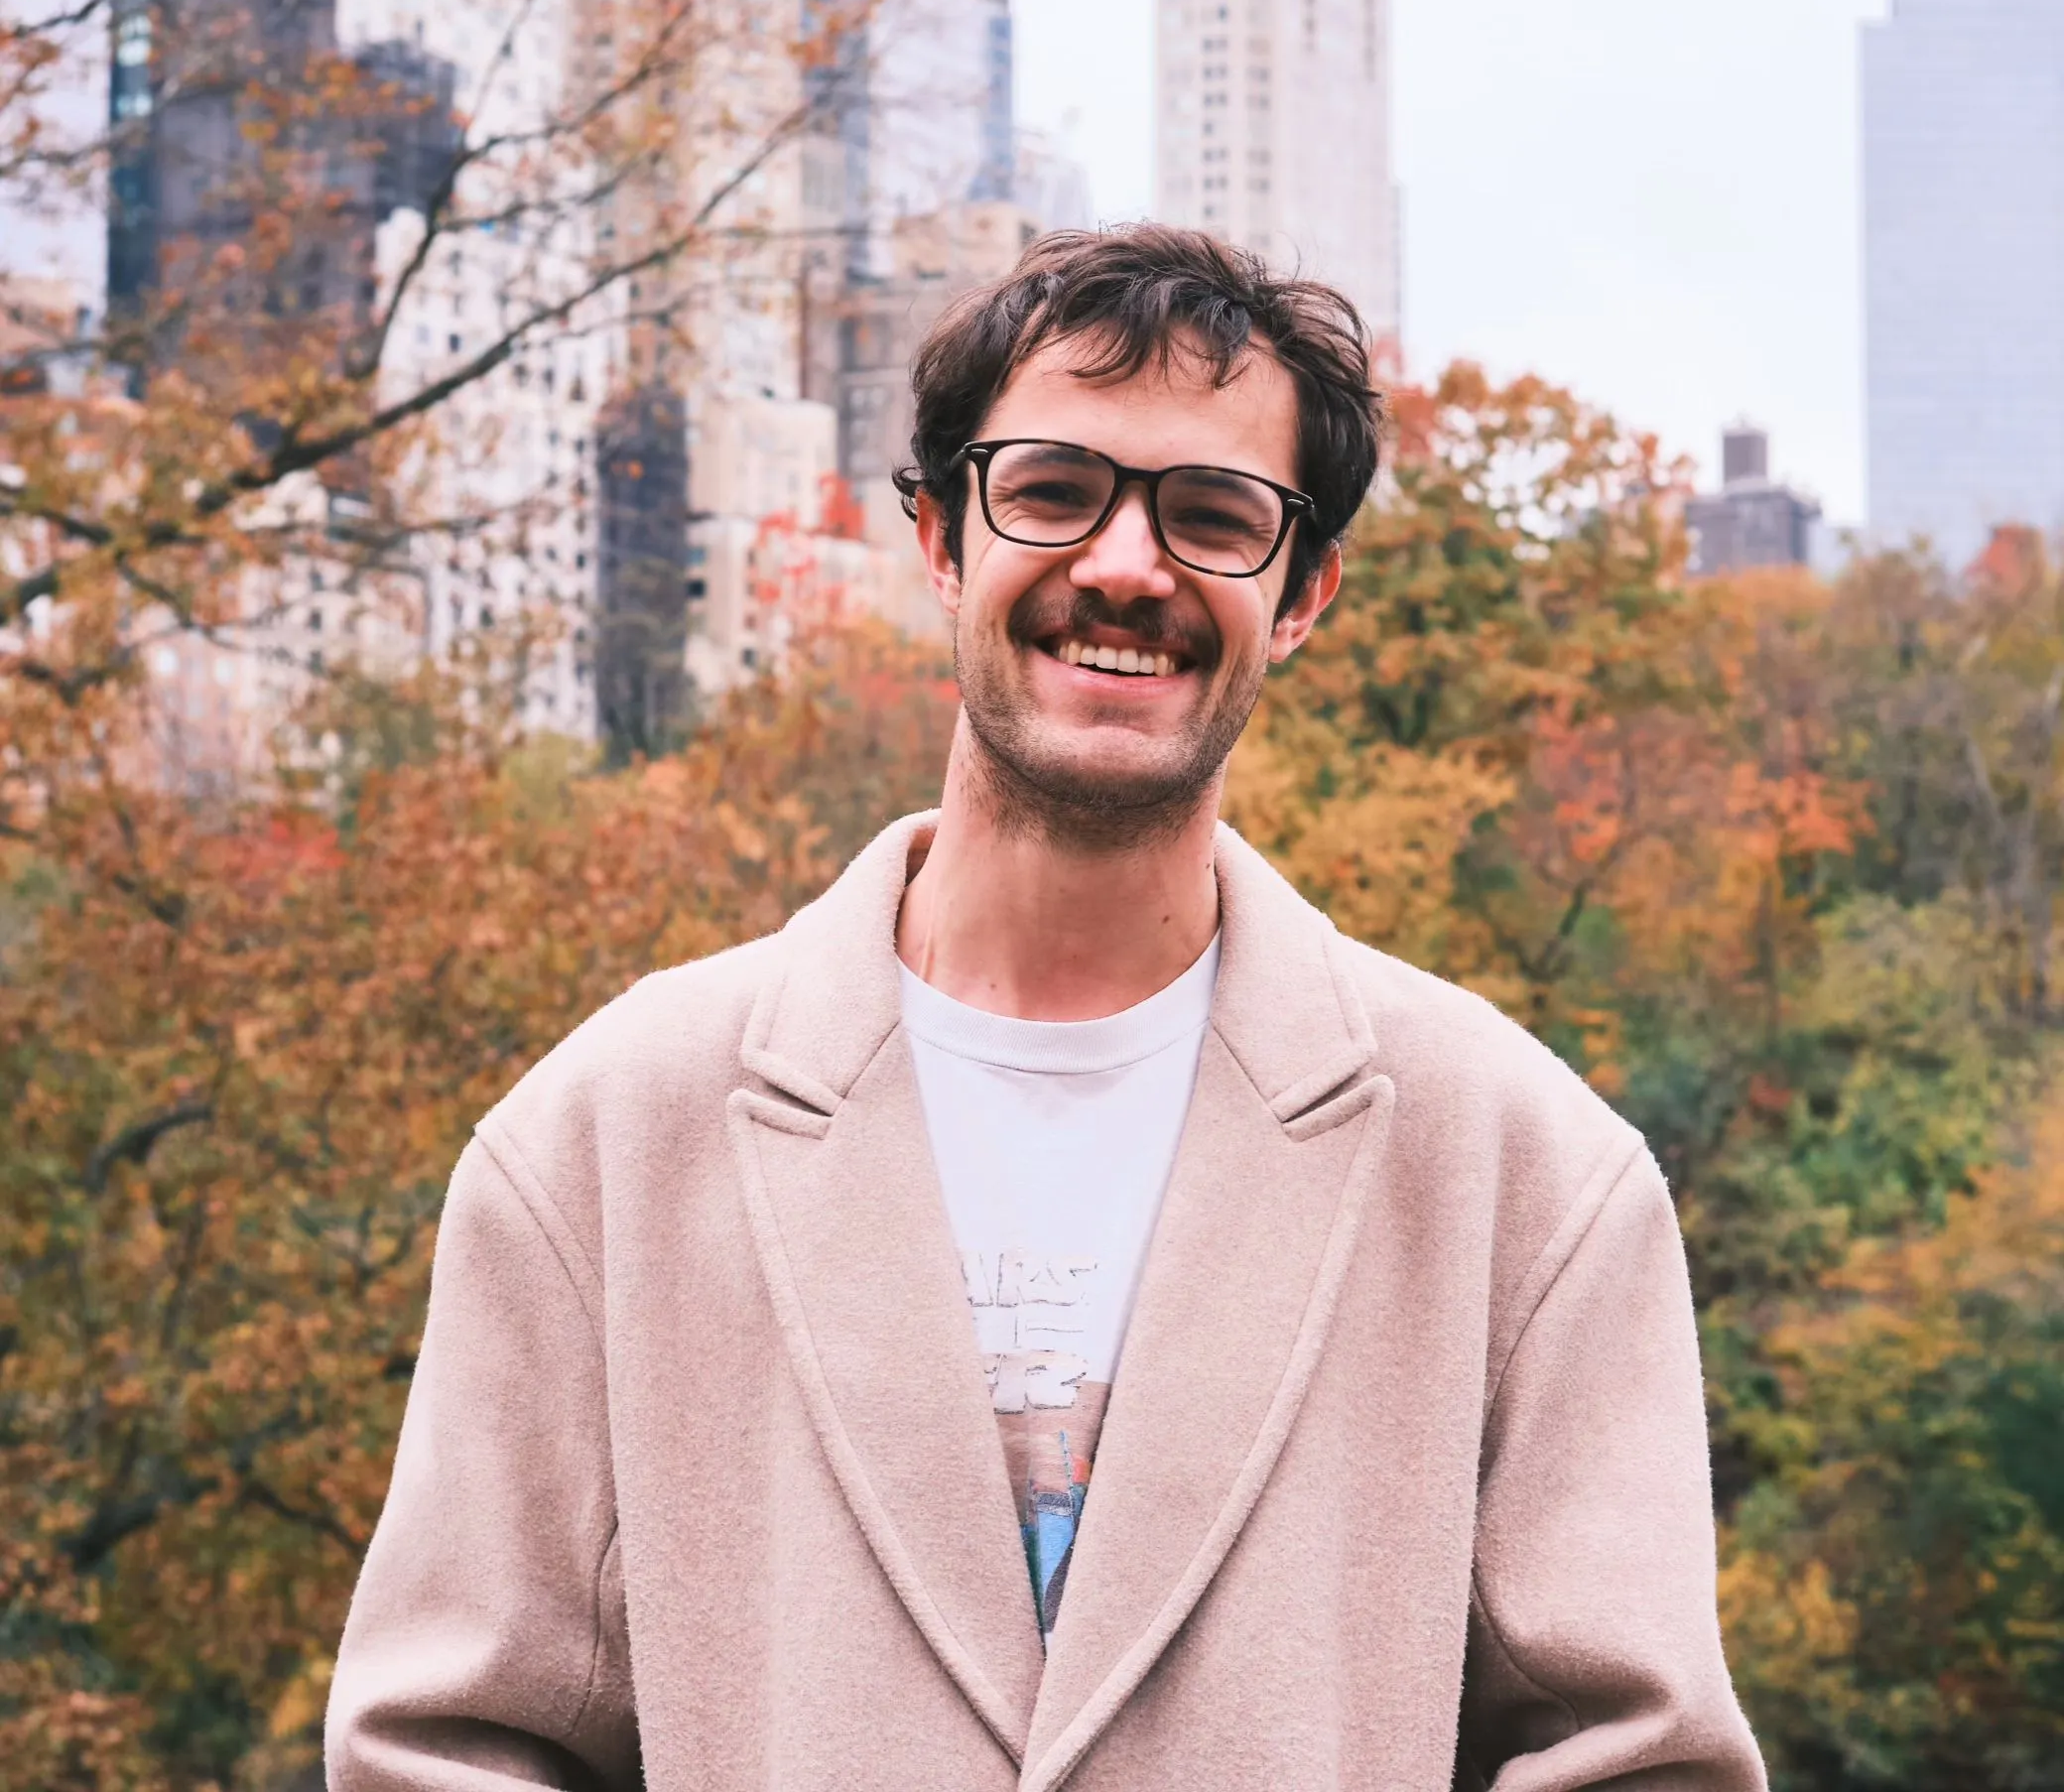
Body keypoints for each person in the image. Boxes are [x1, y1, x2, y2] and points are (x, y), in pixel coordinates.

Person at [327, 225, 1764, 1792]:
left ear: (1302, 595)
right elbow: (446, 1749)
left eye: (1214, 514)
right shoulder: (599, 1148)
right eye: (1055, 490)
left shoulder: (1527, 1179)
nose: (1128, 566)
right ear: (943, 536)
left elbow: (1644, 1761)